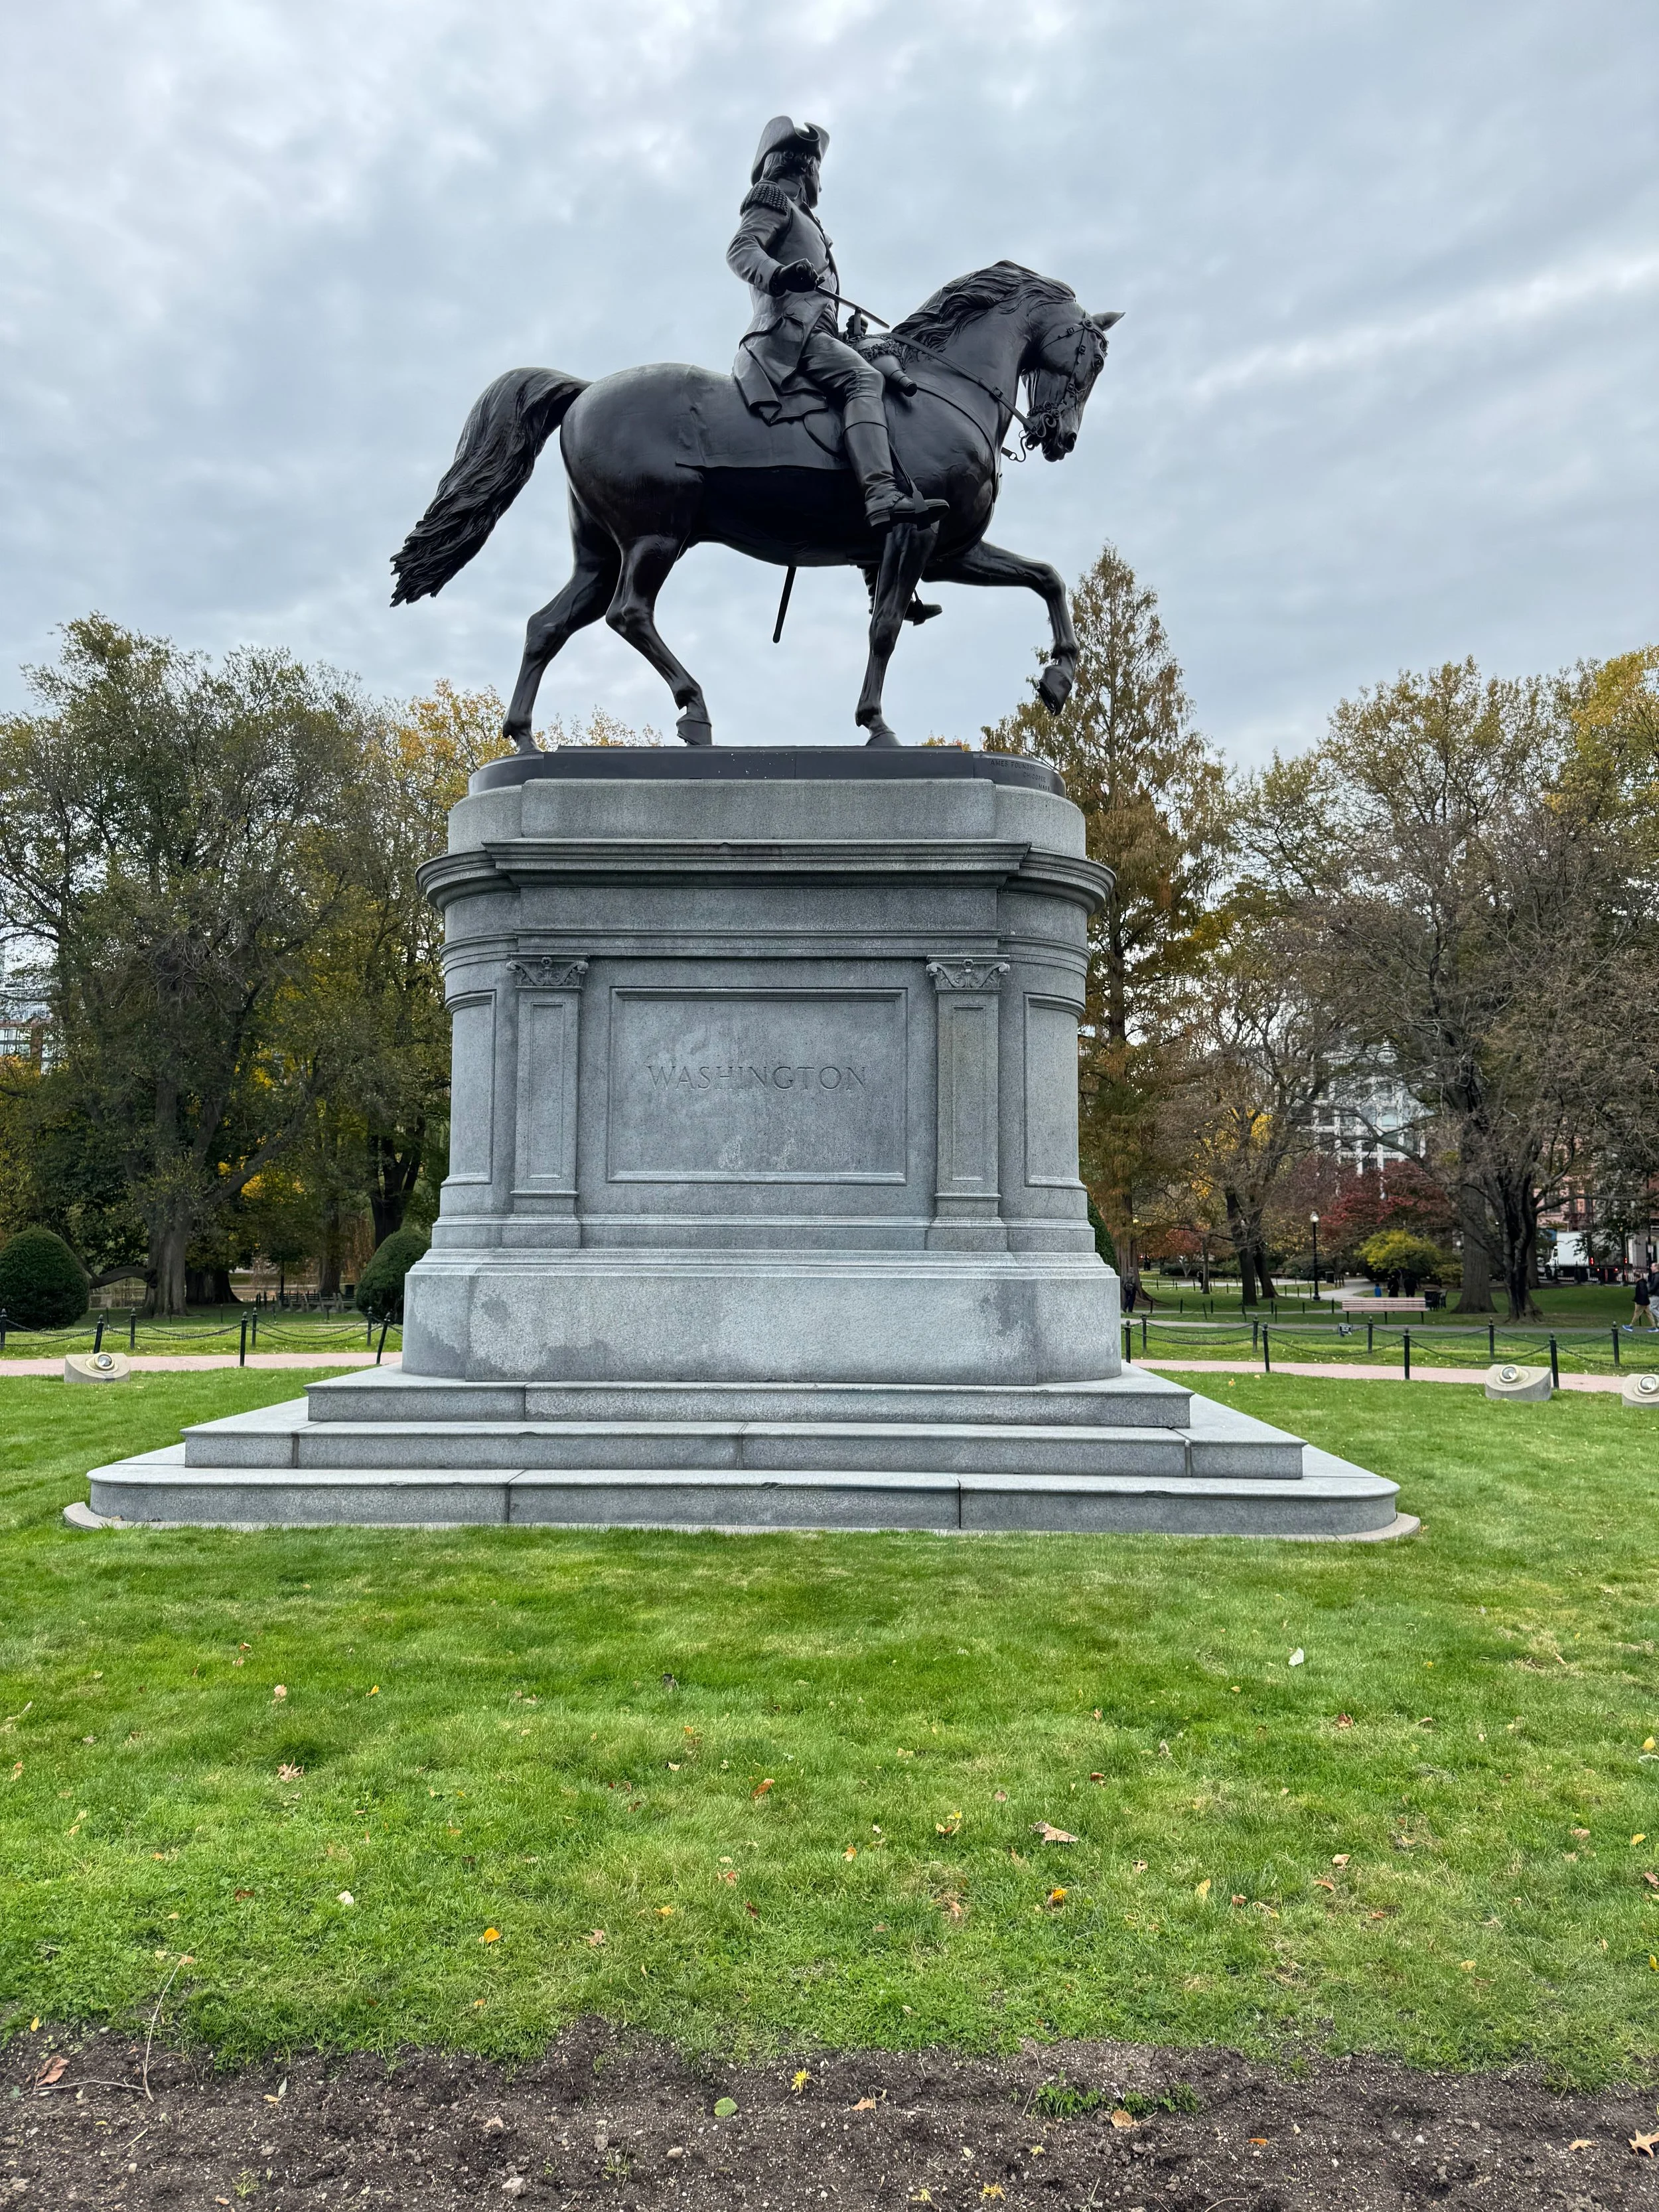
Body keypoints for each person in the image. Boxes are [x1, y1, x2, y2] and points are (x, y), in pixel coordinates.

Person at [727, 116, 947, 532]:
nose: (820, 182)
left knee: (884, 361)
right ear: (806, 168)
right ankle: (881, 494)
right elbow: (742, 249)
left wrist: (850, 335)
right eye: (818, 170)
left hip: (814, 335)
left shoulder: (810, 223)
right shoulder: (772, 198)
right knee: (865, 381)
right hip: (786, 335)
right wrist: (779, 274)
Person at [1627, 1266, 1658, 1332]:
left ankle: (1631, 1326)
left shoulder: (1640, 1284)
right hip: (1645, 1301)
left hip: (1642, 1302)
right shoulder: (1642, 1283)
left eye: (1635, 1278)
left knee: (1637, 1313)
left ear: (1637, 1278)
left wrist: (1639, 1300)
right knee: (1649, 1313)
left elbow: (1642, 1293)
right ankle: (1654, 1326)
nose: (1634, 1280)